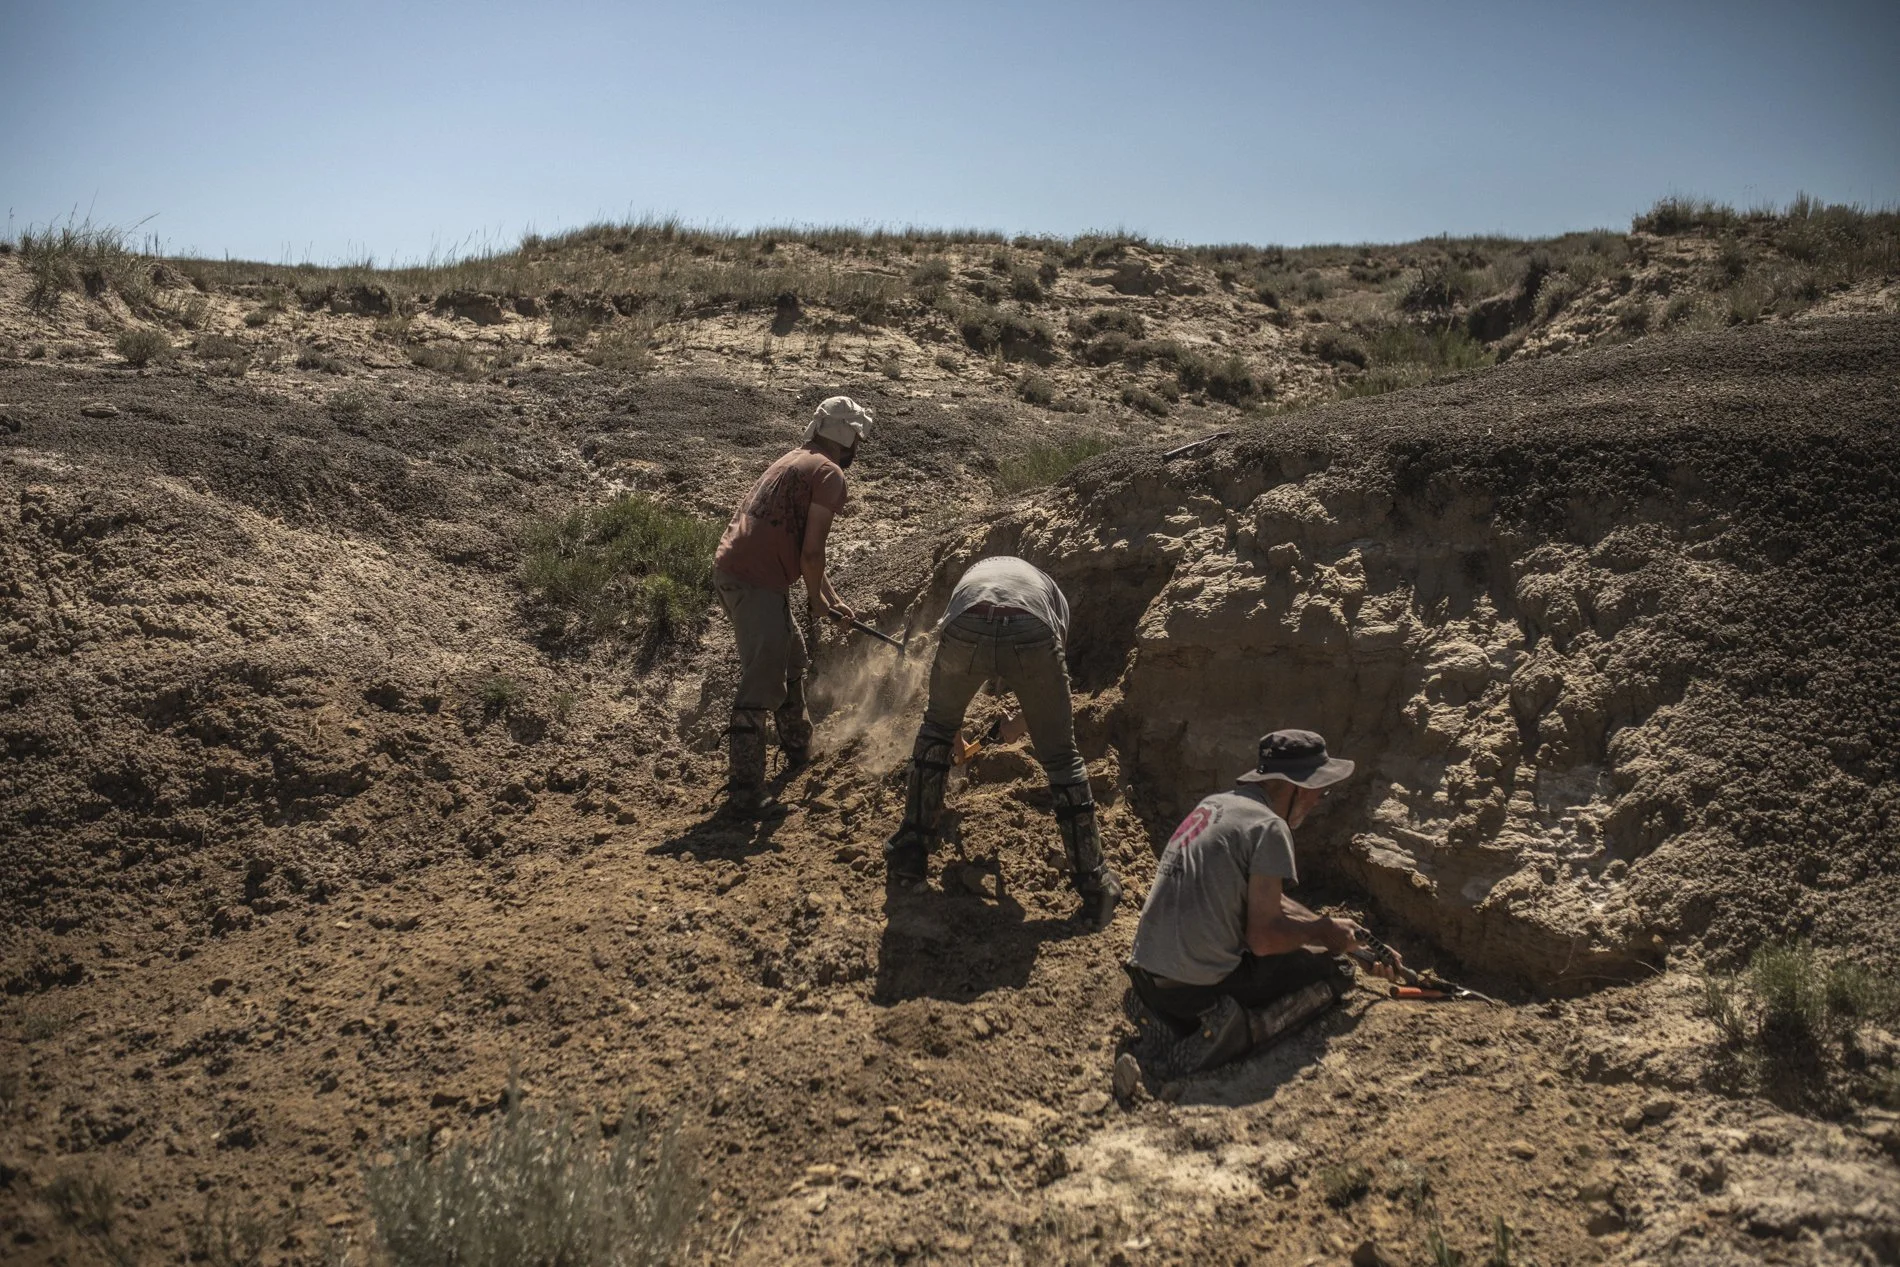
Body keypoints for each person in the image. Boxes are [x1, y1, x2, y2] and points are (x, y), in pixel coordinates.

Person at [1124, 729, 1401, 1069]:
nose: (1318, 801)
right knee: (1335, 972)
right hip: (1196, 989)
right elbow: (1264, 938)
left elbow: (1271, 903)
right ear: (1299, 786)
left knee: (1328, 954)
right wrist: (1323, 935)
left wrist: (1347, 941)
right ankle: (1230, 1034)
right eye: (1321, 791)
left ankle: (1167, 1020)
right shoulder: (1269, 827)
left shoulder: (1216, 806)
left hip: (1149, 981)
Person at [885, 555, 1122, 927]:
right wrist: (1020, 725)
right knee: (1061, 756)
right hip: (1033, 630)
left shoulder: (973, 578)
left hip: (966, 622)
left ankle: (910, 853)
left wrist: (952, 737)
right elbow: (1052, 681)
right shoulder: (1052, 597)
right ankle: (1094, 881)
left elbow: (944, 707)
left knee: (934, 729)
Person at [712, 395, 870, 814]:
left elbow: (805, 553)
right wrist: (817, 602)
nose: (858, 446)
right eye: (857, 437)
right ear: (845, 434)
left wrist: (832, 601)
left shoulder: (795, 459)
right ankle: (745, 792)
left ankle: (800, 751)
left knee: (791, 661)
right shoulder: (830, 474)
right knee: (763, 678)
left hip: (743, 572)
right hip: (754, 579)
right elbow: (812, 554)